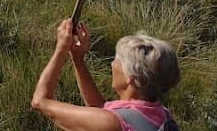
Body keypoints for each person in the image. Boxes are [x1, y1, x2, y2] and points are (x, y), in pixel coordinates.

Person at [32, 18, 181, 131]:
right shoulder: (160, 116)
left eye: (117, 60)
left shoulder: (112, 123)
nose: (112, 64)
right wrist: (78, 59)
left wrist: (61, 50)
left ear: (131, 76)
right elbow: (100, 109)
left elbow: (40, 102)